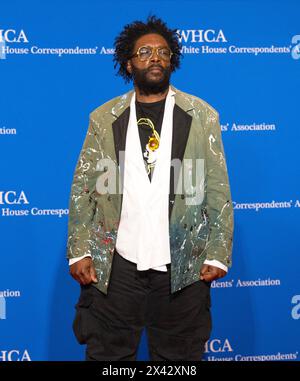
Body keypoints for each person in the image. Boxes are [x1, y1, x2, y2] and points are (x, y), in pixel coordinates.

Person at [67, 15, 234, 361]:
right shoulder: (105, 118)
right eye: (144, 51)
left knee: (180, 359)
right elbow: (88, 187)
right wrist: (80, 249)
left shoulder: (202, 116)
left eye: (163, 51)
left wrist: (219, 250)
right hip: (116, 262)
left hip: (183, 262)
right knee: (107, 357)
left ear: (173, 60)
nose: (155, 57)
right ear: (128, 63)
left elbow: (217, 187)